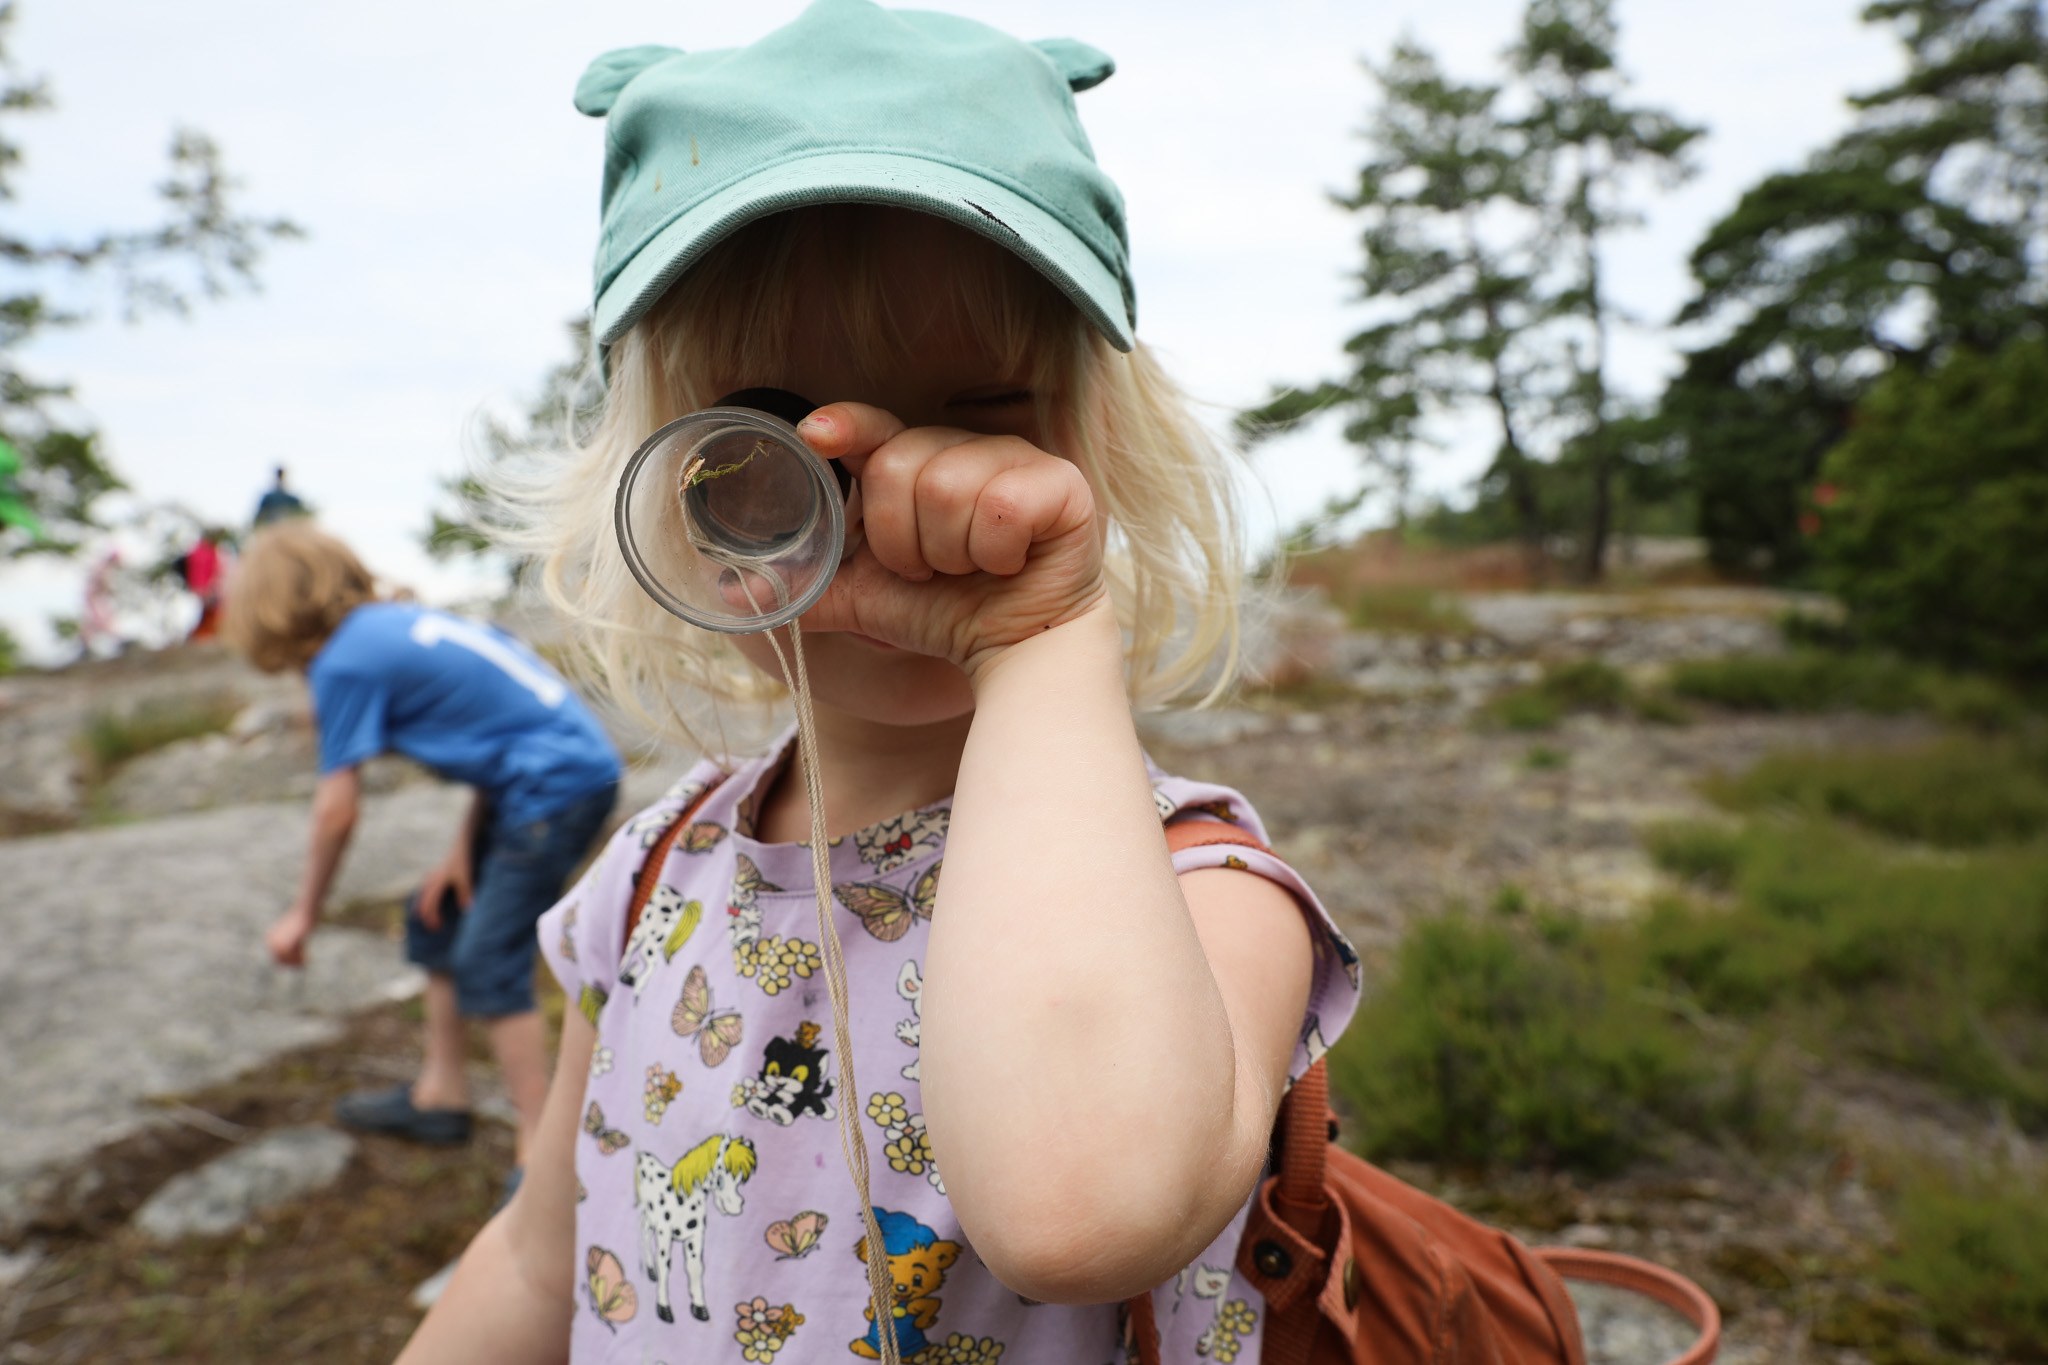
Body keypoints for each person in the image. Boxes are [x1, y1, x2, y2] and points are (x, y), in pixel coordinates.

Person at [400, 4, 1360, 1362]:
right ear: (667, 498)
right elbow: (537, 1258)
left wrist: (1038, 636)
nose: (893, 507)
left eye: (977, 419)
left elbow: (1079, 1211)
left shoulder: (1201, 895)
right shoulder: (648, 876)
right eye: (772, 445)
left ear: (1105, 456)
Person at [221, 520, 621, 1180]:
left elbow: (337, 810)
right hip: (540, 776)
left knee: (490, 956)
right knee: (436, 911)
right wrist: (460, 853)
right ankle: (441, 1095)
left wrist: (303, 914)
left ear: (267, 612)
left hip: (554, 787)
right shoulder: (393, 625)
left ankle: (541, 1155)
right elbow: (498, 738)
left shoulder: (344, 661)